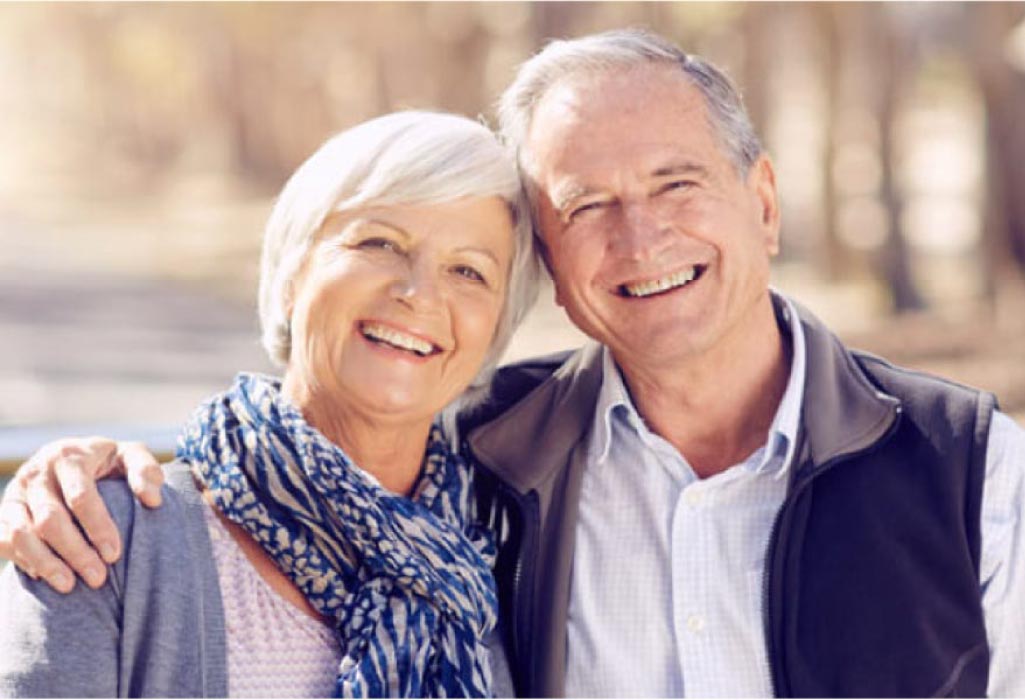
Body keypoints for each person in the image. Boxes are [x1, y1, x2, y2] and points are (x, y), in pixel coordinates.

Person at [3, 28, 1025, 698]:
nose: (639, 238)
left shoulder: (968, 467)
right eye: (584, 206)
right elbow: (291, 465)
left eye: (676, 183)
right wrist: (68, 477)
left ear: (761, 201)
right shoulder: (487, 469)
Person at [0, 110, 540, 697]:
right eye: (380, 242)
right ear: (291, 276)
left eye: (468, 270)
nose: (419, 294)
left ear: (495, 335)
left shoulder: (497, 561)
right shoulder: (100, 537)